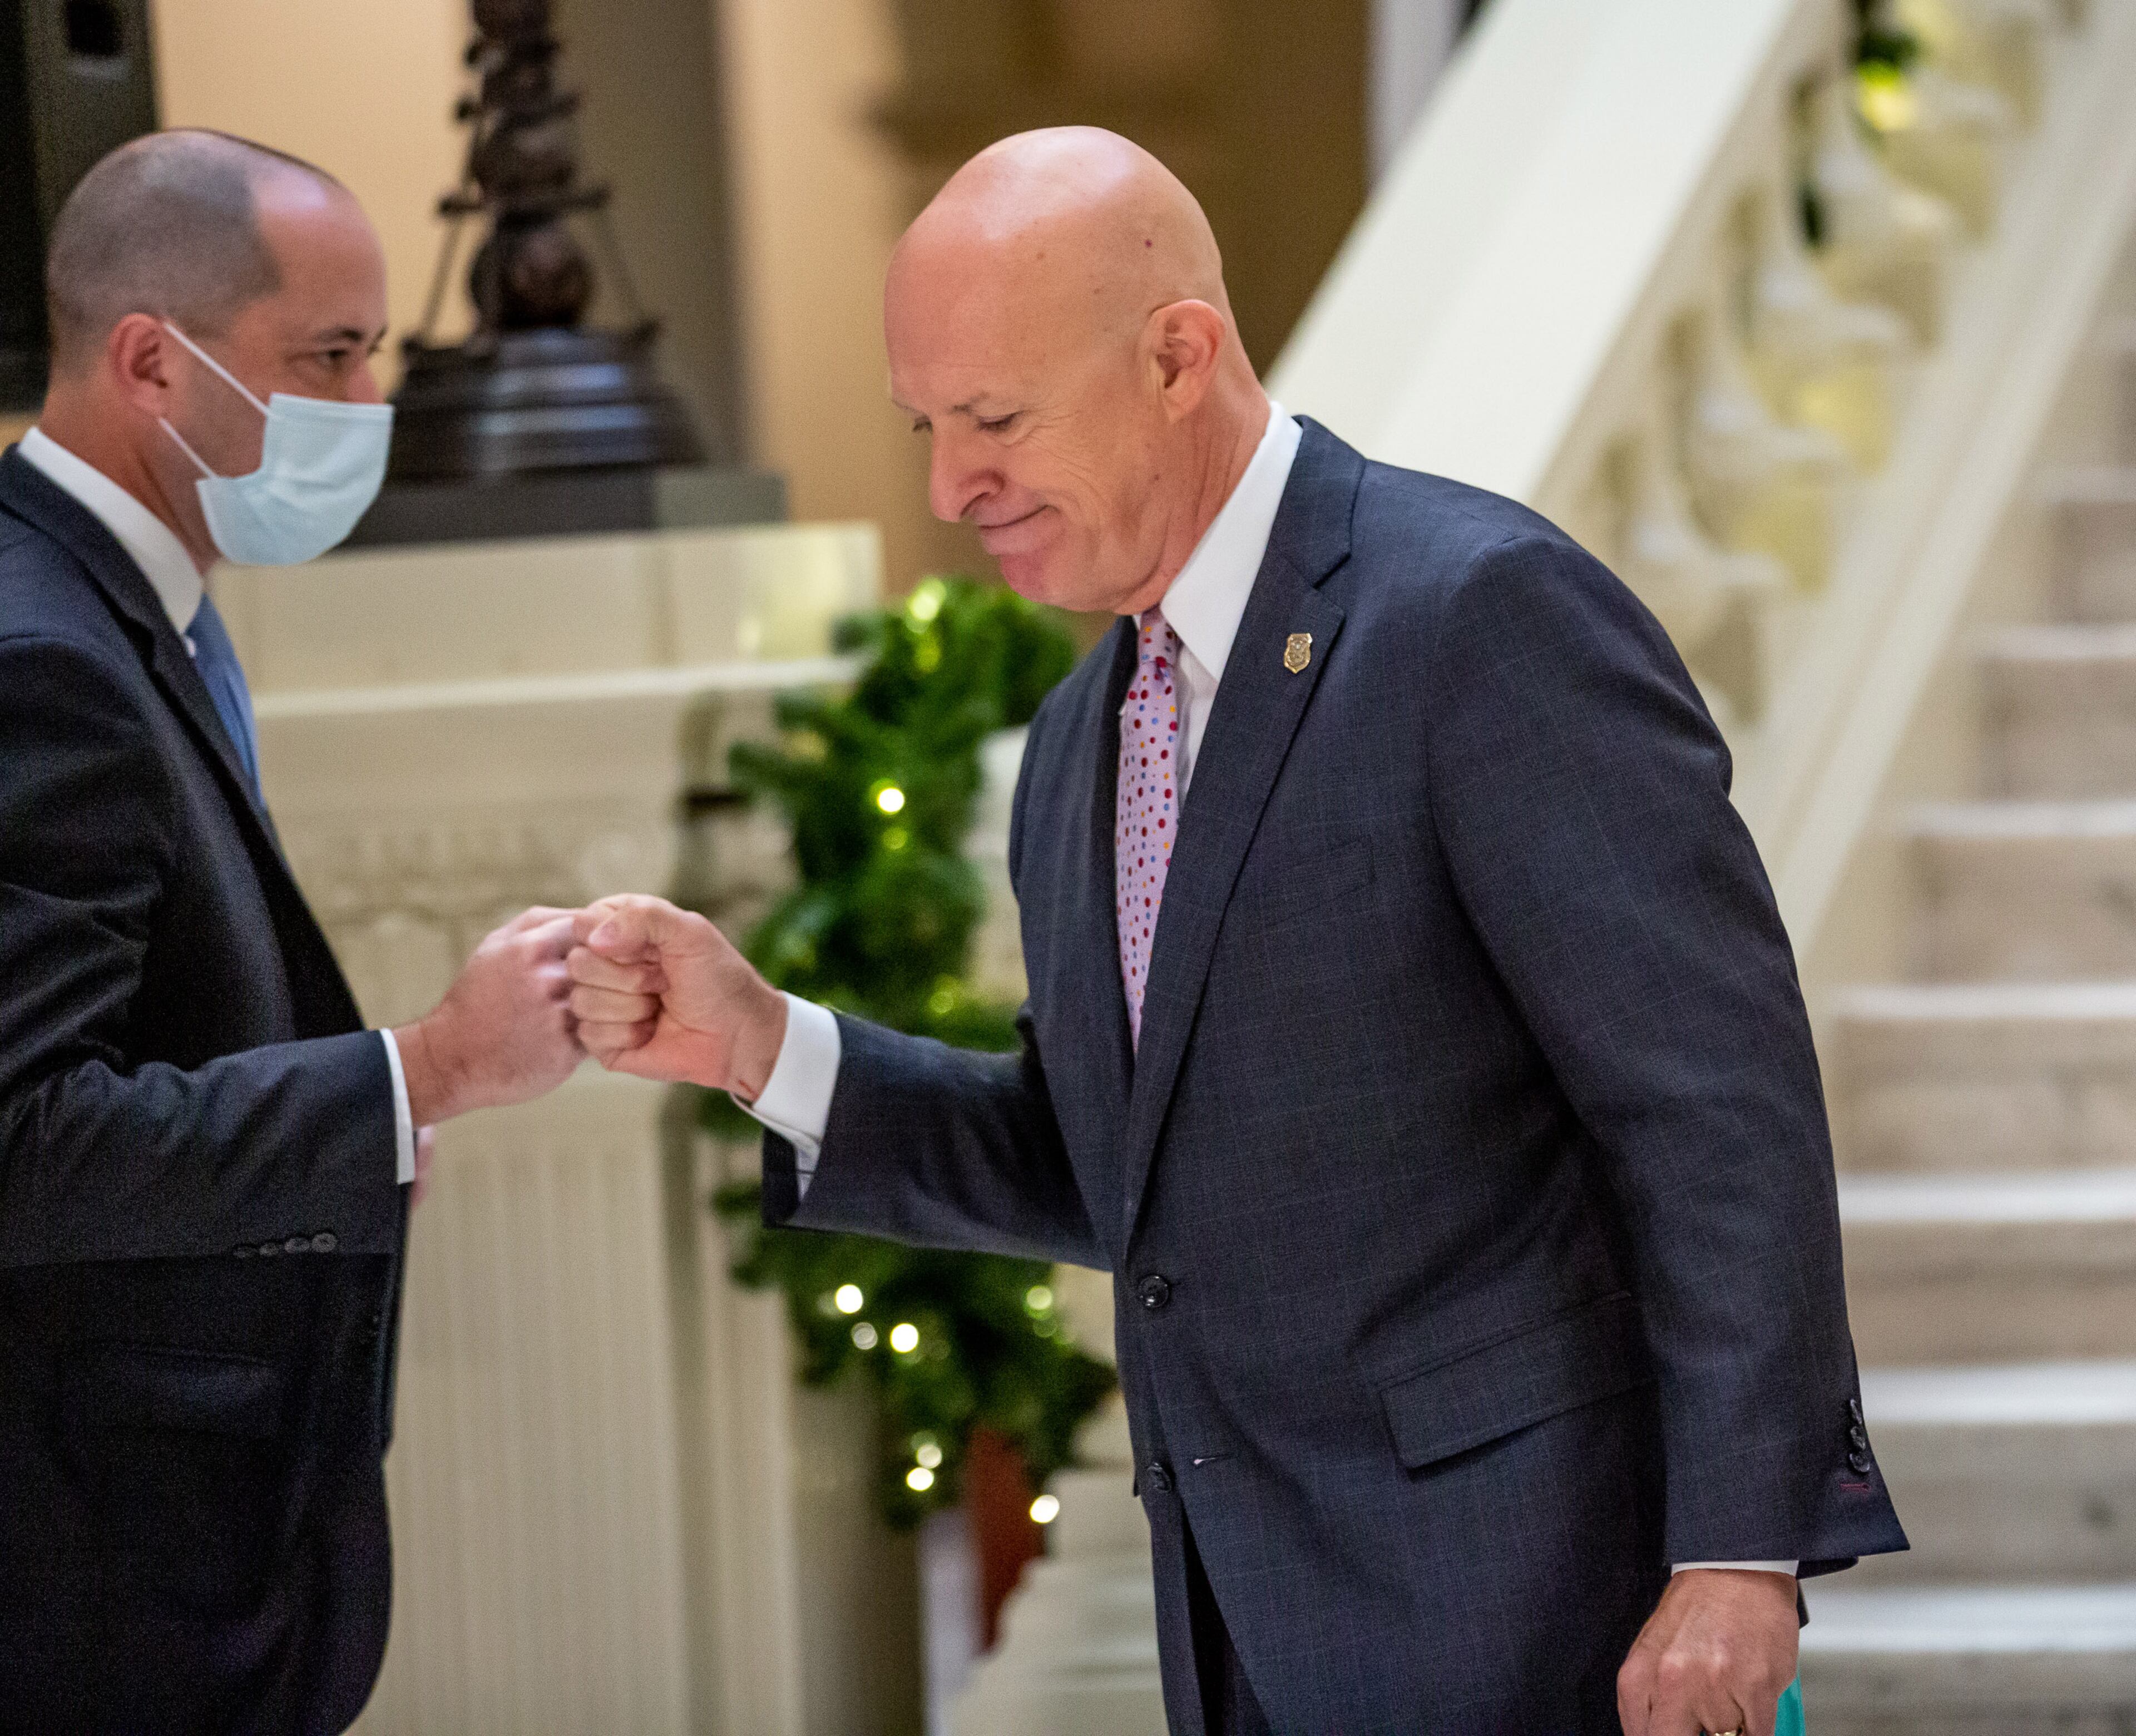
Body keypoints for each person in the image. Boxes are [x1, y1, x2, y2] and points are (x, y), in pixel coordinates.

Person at [568, 128, 1906, 1734]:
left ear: (1178, 357)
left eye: (996, 419)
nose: (948, 486)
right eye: (926, 426)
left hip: (1558, 1623)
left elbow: (1717, 1108)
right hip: (1243, 1643)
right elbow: (1116, 1168)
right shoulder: (1077, 739)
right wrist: (765, 1045)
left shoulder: (1479, 615)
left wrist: (1741, 1552)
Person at [0, 131, 582, 1733]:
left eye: (372, 352)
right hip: (87, 1561)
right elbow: (23, 1138)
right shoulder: (36, 654)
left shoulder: (120, 609)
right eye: (324, 357)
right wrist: (420, 1072)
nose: (363, 404)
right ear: (150, 364)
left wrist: (350, 1123)